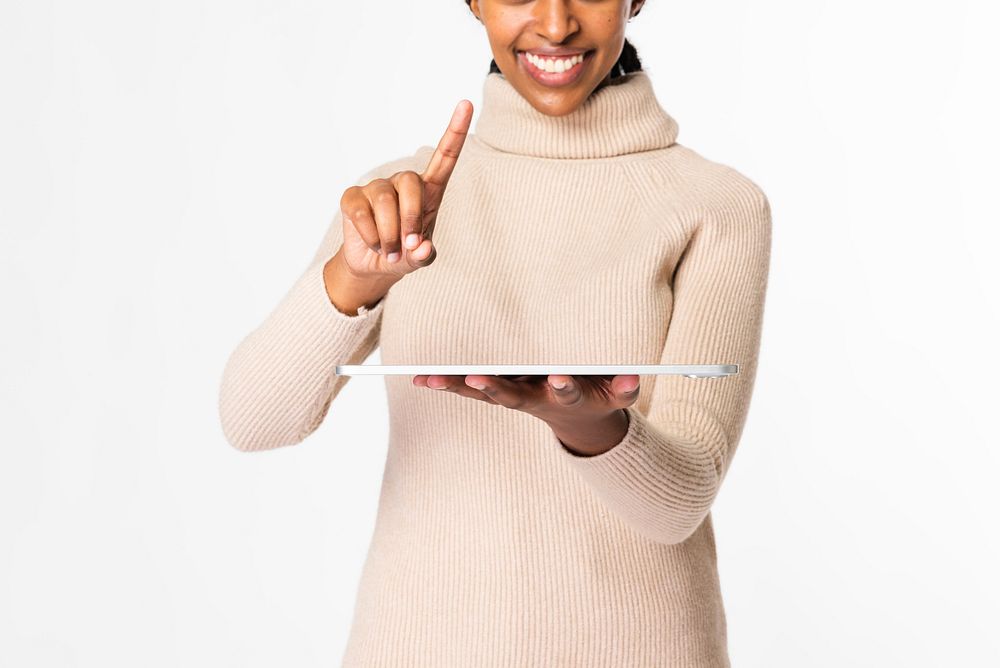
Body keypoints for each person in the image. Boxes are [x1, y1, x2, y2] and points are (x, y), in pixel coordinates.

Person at [218, 1, 772, 665]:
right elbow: (251, 422)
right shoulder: (404, 199)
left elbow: (675, 509)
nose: (556, 22)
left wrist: (589, 427)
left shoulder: (717, 207)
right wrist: (352, 282)